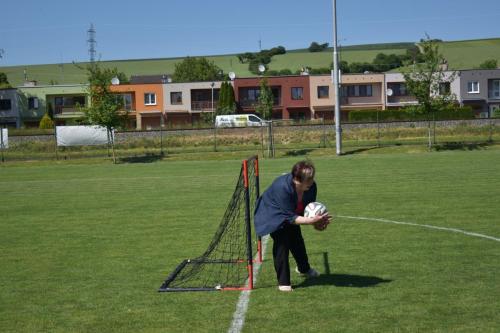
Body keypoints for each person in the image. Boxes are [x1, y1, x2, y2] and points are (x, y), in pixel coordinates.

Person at [254, 160, 331, 292]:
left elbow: (308, 210)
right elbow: (290, 218)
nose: (312, 182)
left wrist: (317, 224)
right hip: (273, 212)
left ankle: (304, 268)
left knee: (296, 238)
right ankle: (283, 283)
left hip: (291, 212)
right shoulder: (282, 187)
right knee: (282, 241)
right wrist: (312, 221)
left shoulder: (311, 187)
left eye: (312, 178)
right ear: (297, 179)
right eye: (308, 179)